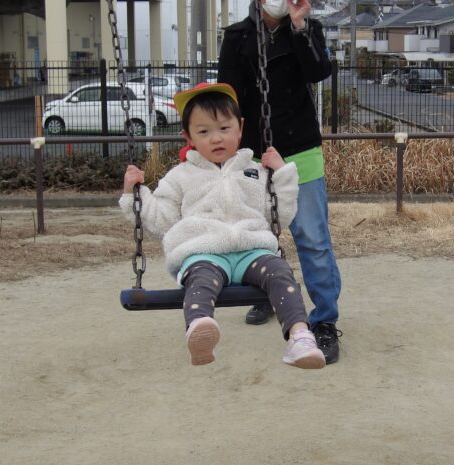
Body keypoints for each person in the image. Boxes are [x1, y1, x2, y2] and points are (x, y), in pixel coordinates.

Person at [119, 83, 325, 369]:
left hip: (251, 250)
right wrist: (133, 194)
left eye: (224, 128)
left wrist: (282, 174)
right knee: (201, 279)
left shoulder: (254, 171)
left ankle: (300, 337)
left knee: (280, 272)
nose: (216, 138)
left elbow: (280, 214)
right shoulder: (180, 176)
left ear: (240, 128)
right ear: (188, 136)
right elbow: (160, 218)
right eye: (204, 132)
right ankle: (200, 329)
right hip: (204, 252)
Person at [218, 0, 343, 364]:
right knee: (257, 236)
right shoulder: (238, 36)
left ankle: (324, 321)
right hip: (254, 151)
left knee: (313, 239)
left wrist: (300, 27)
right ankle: (268, 296)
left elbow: (319, 71)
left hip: (300, 148)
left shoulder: (309, 29)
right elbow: (228, 97)